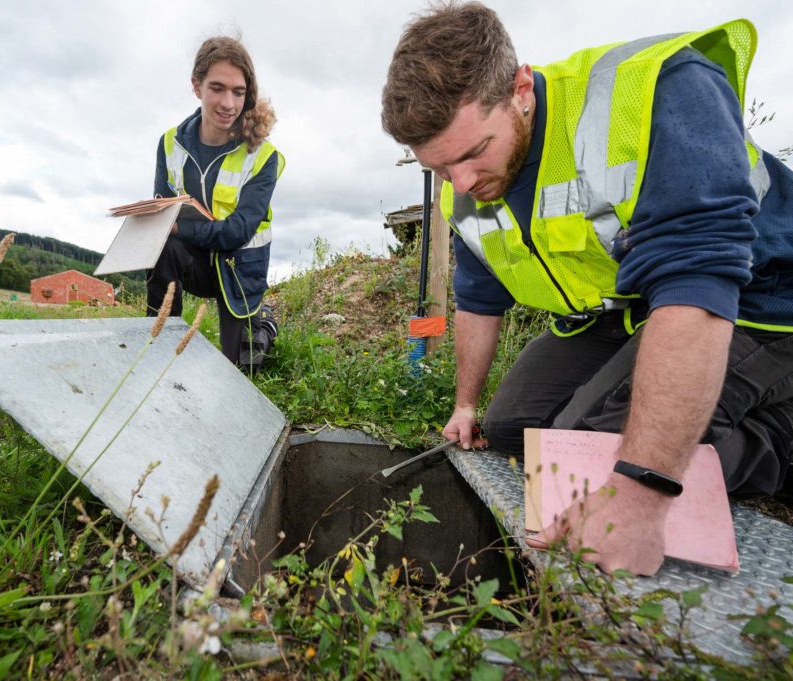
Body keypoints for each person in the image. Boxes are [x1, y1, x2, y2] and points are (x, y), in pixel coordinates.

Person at [381, 2, 793, 576]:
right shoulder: (464, 189)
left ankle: (778, 435)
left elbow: (698, 281)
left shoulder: (659, 88)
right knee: (512, 432)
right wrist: (466, 404)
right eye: (441, 170)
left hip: (760, 294)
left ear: (520, 88)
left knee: (591, 453)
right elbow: (479, 296)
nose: (464, 185)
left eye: (474, 153)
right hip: (629, 307)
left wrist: (641, 493)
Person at [147, 36, 285, 366]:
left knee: (239, 368)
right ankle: (156, 344)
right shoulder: (170, 144)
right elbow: (163, 216)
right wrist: (156, 224)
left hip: (239, 268)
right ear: (197, 86)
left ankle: (262, 324)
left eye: (238, 92)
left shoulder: (263, 156)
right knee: (162, 246)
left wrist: (181, 227)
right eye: (217, 88)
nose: (228, 103)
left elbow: (238, 231)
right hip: (194, 263)